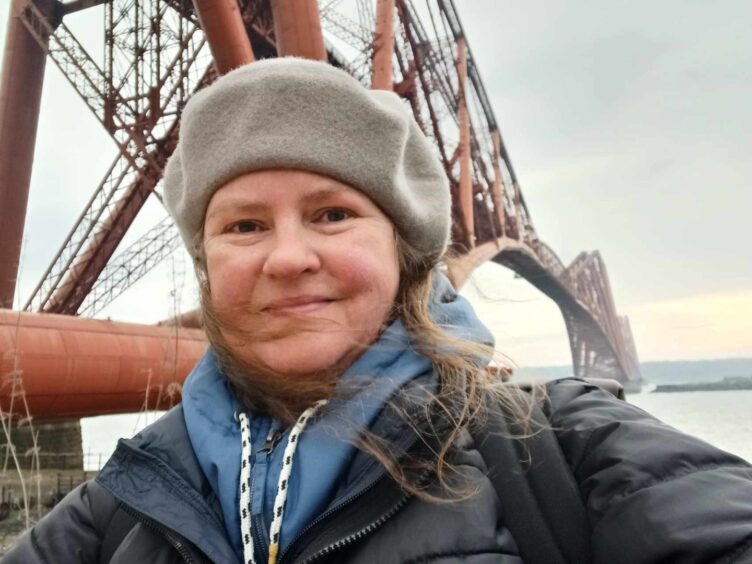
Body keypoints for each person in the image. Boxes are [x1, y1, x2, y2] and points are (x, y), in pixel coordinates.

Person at [5, 58, 752, 564]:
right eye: (243, 225)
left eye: (332, 214)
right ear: (206, 264)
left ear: (407, 253)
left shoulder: (562, 448)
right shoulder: (123, 502)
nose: (289, 256)